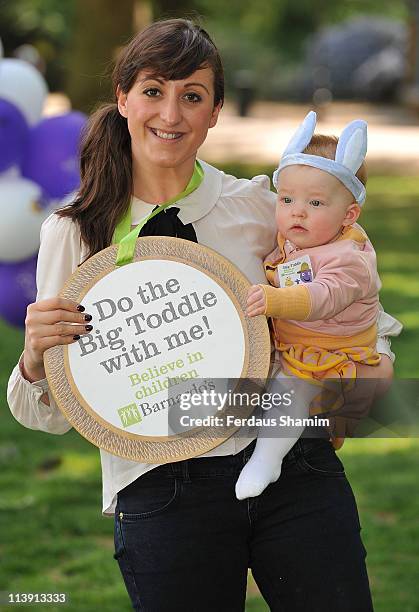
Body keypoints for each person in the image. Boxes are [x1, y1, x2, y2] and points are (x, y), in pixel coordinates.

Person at [7, 18, 401, 612]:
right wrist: (37, 358)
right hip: (162, 489)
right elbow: (50, 416)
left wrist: (345, 402)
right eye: (153, 90)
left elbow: (358, 310)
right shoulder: (71, 233)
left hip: (294, 471)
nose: (171, 114)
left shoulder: (260, 207)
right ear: (121, 98)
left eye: (192, 96)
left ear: (215, 111)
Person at [235, 111, 390, 501]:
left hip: (332, 351)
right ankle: (330, 423)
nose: (296, 211)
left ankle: (266, 461)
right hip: (299, 342)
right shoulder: (302, 236)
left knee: (293, 392)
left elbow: (321, 297)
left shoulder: (349, 260)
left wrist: (275, 301)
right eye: (286, 198)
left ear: (348, 215)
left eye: (315, 202)